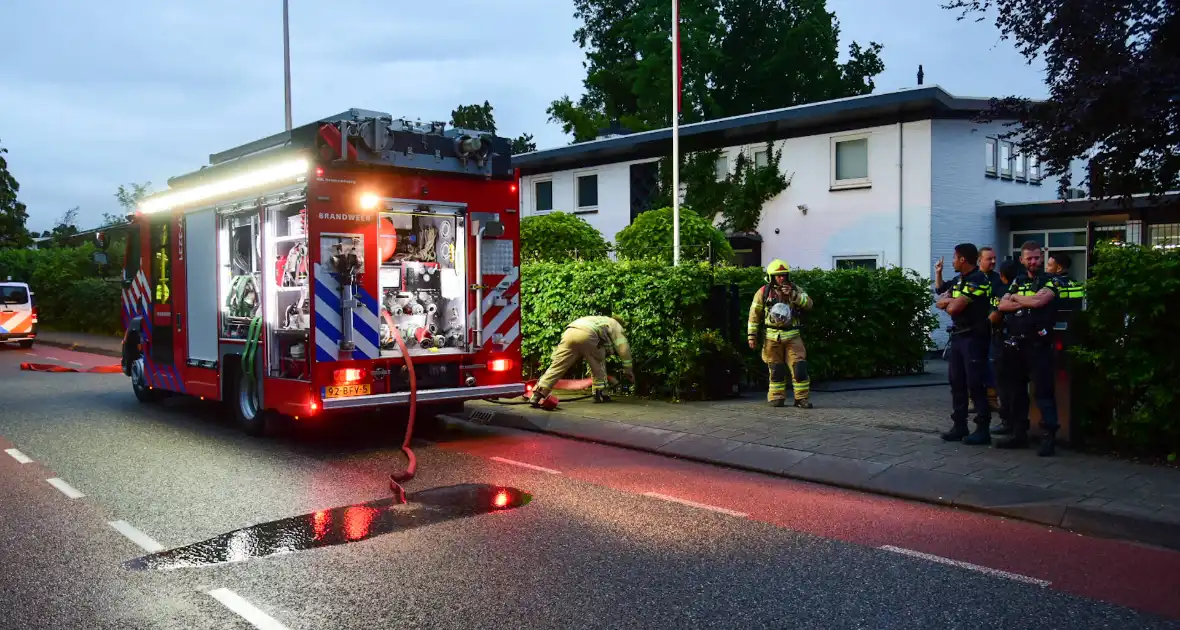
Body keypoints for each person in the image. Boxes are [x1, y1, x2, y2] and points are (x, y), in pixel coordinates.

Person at [995, 241, 1063, 456]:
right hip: (1017, 345)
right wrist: (1022, 299)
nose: (1033, 261)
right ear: (1022, 260)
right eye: (1029, 258)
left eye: (1036, 258)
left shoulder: (1051, 280)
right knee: (1016, 392)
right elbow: (1002, 305)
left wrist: (1017, 299)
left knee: (1043, 392)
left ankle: (1049, 438)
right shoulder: (1018, 280)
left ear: (1041, 258)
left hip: (1039, 346)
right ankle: (1018, 434)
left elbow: (1038, 303)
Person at [936, 243, 993, 445]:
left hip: (974, 337)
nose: (952, 261)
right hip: (959, 337)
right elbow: (940, 298)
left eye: (954, 258)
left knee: (975, 383)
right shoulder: (961, 281)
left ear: (962, 259)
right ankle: (959, 425)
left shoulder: (978, 280)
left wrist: (949, 303)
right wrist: (948, 301)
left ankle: (982, 428)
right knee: (956, 381)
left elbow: (953, 308)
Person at [748, 259, 814, 408]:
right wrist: (752, 336)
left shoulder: (795, 289)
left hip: (793, 336)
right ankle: (776, 398)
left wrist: (794, 295)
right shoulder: (763, 292)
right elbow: (754, 315)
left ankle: (801, 399)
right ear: (771, 277)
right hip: (772, 337)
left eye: (784, 275)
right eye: (778, 276)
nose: (781, 278)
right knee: (776, 370)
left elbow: (809, 304)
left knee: (800, 368)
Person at [529, 314, 634, 407]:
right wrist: (628, 370)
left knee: (557, 366)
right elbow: (623, 348)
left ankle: (539, 393)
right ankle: (600, 393)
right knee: (598, 363)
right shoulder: (616, 325)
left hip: (570, 332)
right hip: (589, 334)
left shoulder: (598, 319)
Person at [989, 260, 1021, 437]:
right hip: (1019, 340)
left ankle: (1007, 420)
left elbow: (995, 315)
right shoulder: (1022, 289)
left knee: (1003, 383)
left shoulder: (1001, 291)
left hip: (1001, 340)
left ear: (1001, 276)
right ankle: (1017, 421)